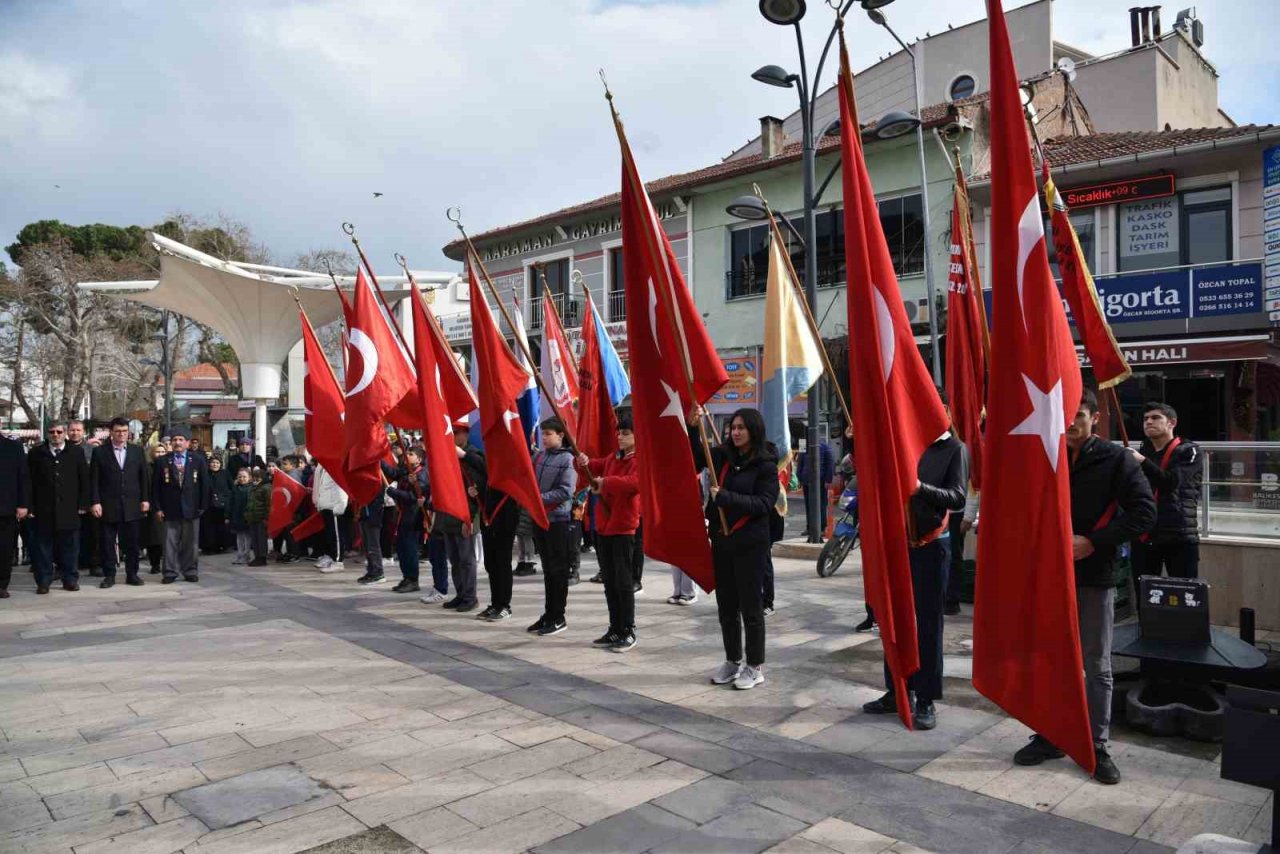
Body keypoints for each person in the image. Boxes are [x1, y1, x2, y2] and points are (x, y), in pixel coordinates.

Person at [1012, 388, 1155, 786]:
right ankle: (1051, 735)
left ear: (1094, 418)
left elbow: (1145, 513)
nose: (1072, 422)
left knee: (1097, 665)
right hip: (1047, 578)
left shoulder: (1116, 459)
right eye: (1065, 415)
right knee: (1050, 660)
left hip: (1095, 576)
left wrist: (1094, 540)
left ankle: (1096, 744)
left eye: (1080, 414)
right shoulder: (1047, 455)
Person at [861, 425, 968, 730]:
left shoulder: (954, 450)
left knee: (928, 623)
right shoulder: (907, 444)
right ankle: (896, 688)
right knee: (893, 618)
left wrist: (919, 487)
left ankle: (926, 697)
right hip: (898, 544)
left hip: (931, 546)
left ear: (945, 413)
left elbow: (957, 497)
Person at [693, 407, 780, 691]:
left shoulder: (766, 464)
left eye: (742, 427)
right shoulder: (723, 456)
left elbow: (765, 505)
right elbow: (696, 457)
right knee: (726, 607)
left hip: (751, 544)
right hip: (722, 541)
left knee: (751, 608)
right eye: (733, 427)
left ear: (753, 430)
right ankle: (732, 660)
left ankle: (754, 666)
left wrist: (727, 498)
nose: (736, 432)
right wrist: (694, 426)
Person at [577, 415, 640, 651]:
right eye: (619, 433)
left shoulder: (639, 459)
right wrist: (582, 461)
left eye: (625, 433)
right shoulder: (613, 457)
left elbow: (635, 483)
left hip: (623, 527)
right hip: (603, 526)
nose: (620, 437)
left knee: (623, 582)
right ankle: (614, 628)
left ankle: (628, 629)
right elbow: (592, 467)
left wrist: (606, 483)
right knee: (610, 582)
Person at [1130, 402, 1202, 579]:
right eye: (1145, 419)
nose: (1148, 422)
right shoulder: (1143, 451)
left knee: (1185, 596)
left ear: (1172, 423)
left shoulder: (1189, 450)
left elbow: (1171, 482)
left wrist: (1142, 462)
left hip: (1179, 535)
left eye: (1155, 418)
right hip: (1146, 534)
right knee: (1145, 596)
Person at [528, 418, 577, 636]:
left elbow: (566, 490)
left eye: (549, 434)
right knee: (548, 569)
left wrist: (538, 498)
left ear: (561, 435)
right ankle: (548, 614)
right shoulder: (539, 456)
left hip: (558, 520)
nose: (545, 438)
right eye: (543, 433)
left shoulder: (568, 459)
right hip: (540, 519)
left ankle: (558, 616)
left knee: (558, 570)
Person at [28, 422, 91, 593]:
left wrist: (84, 504)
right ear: (47, 433)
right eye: (52, 432)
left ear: (65, 433)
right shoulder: (36, 453)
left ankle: (69, 579)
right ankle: (44, 581)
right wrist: (30, 507)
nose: (55, 435)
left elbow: (84, 479)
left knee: (70, 547)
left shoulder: (75, 452)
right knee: (43, 548)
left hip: (70, 509)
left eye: (59, 432)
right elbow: (29, 482)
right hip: (43, 509)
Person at [89, 417, 150, 588]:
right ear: (111, 432)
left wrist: (145, 499)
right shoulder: (100, 452)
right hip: (108, 505)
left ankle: (132, 574)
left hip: (132, 504)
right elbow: (94, 479)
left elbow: (143, 477)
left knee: (132, 543)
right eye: (117, 431)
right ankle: (109, 575)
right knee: (107, 543)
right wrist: (95, 501)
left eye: (124, 431)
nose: (121, 434)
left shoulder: (137, 451)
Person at [438, 424, 487, 613]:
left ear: (465, 435)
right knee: (454, 558)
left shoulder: (473, 455)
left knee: (466, 559)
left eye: (456, 433)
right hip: (449, 513)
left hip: (467, 512)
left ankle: (470, 596)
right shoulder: (446, 455)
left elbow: (482, 479)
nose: (452, 436)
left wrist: (472, 513)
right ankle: (460, 594)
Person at [151, 427, 210, 583]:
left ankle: (190, 570)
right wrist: (157, 508)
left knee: (191, 543)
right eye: (175, 440)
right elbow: (155, 487)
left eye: (181, 440)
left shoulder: (197, 460)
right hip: (169, 509)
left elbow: (205, 484)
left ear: (188, 443)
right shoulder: (163, 461)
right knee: (169, 543)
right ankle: (170, 572)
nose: (177, 442)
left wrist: (202, 506)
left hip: (192, 508)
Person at [387, 447, 428, 594]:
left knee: (410, 549)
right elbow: (393, 473)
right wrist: (379, 460)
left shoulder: (422, 474)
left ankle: (413, 579)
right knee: (401, 548)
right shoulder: (406, 471)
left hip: (413, 517)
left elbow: (413, 497)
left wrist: (393, 492)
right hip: (402, 516)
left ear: (419, 459)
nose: (407, 456)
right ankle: (406, 577)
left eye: (411, 454)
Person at [478, 486, 519, 621]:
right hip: (488, 519)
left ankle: (504, 606)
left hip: (505, 520)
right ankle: (495, 604)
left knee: (502, 563)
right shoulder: (489, 472)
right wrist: (475, 494)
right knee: (491, 563)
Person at [0, 432, 31, 599]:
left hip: (6, 507)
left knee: (5, 548)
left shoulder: (14, 447)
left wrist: (23, 504)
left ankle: (2, 584)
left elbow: (23, 477)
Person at [796, 435, 835, 541]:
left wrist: (828, 480)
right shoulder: (804, 445)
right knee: (809, 504)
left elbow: (830, 463)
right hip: (807, 480)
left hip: (820, 481)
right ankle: (810, 527)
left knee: (821, 504)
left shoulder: (824, 446)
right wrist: (799, 477)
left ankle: (821, 527)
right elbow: (800, 462)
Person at [311, 463, 348, 573]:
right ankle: (332, 558)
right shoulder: (324, 468)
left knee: (336, 536)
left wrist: (340, 506)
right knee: (330, 535)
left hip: (334, 507)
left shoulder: (335, 468)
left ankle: (338, 562)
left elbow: (342, 488)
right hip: (326, 506)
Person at [356, 480, 388, 585]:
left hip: (373, 516)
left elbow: (377, 498)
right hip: (364, 514)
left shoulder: (378, 479)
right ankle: (371, 571)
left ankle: (378, 572)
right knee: (367, 545)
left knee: (373, 546)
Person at [200, 455, 231, 555]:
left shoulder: (225, 473)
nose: (215, 465)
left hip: (222, 505)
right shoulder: (205, 474)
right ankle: (209, 547)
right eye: (213, 462)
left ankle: (222, 545)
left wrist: (226, 497)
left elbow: (231, 486)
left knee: (221, 526)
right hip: (208, 504)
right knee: (209, 527)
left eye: (217, 463)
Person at [244, 467, 271, 566]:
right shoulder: (252, 488)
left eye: (258, 478)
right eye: (254, 478)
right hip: (253, 517)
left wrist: (266, 518)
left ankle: (262, 557)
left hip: (261, 518)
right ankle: (257, 556)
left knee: (261, 539)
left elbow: (269, 504)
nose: (255, 480)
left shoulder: (267, 488)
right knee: (254, 539)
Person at [228, 467, 253, 565]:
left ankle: (246, 556)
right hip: (236, 515)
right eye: (240, 477)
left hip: (246, 515)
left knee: (247, 537)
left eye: (244, 477)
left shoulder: (251, 488)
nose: (242, 479)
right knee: (239, 536)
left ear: (249, 477)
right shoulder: (235, 488)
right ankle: (240, 554)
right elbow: (231, 502)